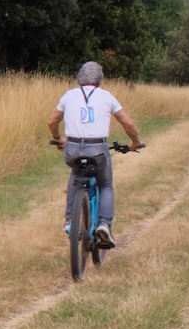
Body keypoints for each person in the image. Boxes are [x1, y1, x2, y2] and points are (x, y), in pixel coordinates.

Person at [47, 60, 143, 248]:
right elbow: (128, 124)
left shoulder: (69, 96)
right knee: (105, 184)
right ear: (100, 80)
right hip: (98, 150)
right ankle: (104, 225)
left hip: (73, 148)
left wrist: (59, 138)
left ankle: (69, 222)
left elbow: (52, 121)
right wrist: (135, 143)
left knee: (75, 175)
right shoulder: (106, 97)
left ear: (79, 79)